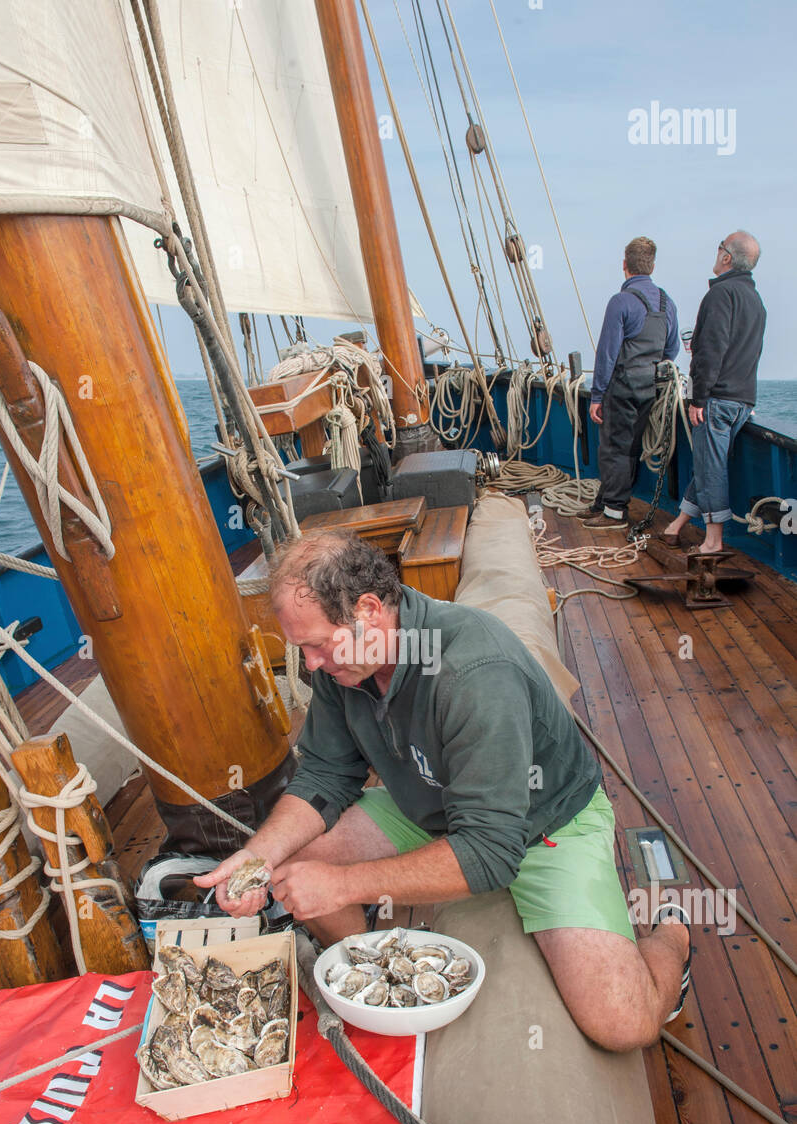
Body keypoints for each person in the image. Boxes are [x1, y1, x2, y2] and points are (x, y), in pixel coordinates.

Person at [195, 531, 690, 1054]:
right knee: (292, 854)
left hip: (544, 825)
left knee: (623, 1024)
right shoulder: (345, 663)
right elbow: (323, 775)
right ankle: (378, 977)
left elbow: (491, 853)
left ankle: (675, 936)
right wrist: (256, 858)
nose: (311, 664)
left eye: (317, 645)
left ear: (368, 610)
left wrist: (341, 886)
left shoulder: (474, 672)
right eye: (303, 648)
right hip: (429, 805)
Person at [660, 231, 766, 554]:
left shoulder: (720, 295)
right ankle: (678, 523)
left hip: (715, 400)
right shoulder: (755, 301)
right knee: (707, 463)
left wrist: (698, 398)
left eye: (720, 246)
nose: (716, 250)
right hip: (742, 401)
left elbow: (710, 352)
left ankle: (713, 541)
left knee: (712, 468)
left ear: (727, 257)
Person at [582, 236, 680, 530]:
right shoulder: (667, 302)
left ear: (625, 265)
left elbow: (608, 353)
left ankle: (614, 512)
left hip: (622, 386)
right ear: (651, 265)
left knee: (614, 449)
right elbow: (671, 350)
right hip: (649, 388)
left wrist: (597, 395)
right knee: (630, 447)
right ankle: (604, 501)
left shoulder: (621, 302)